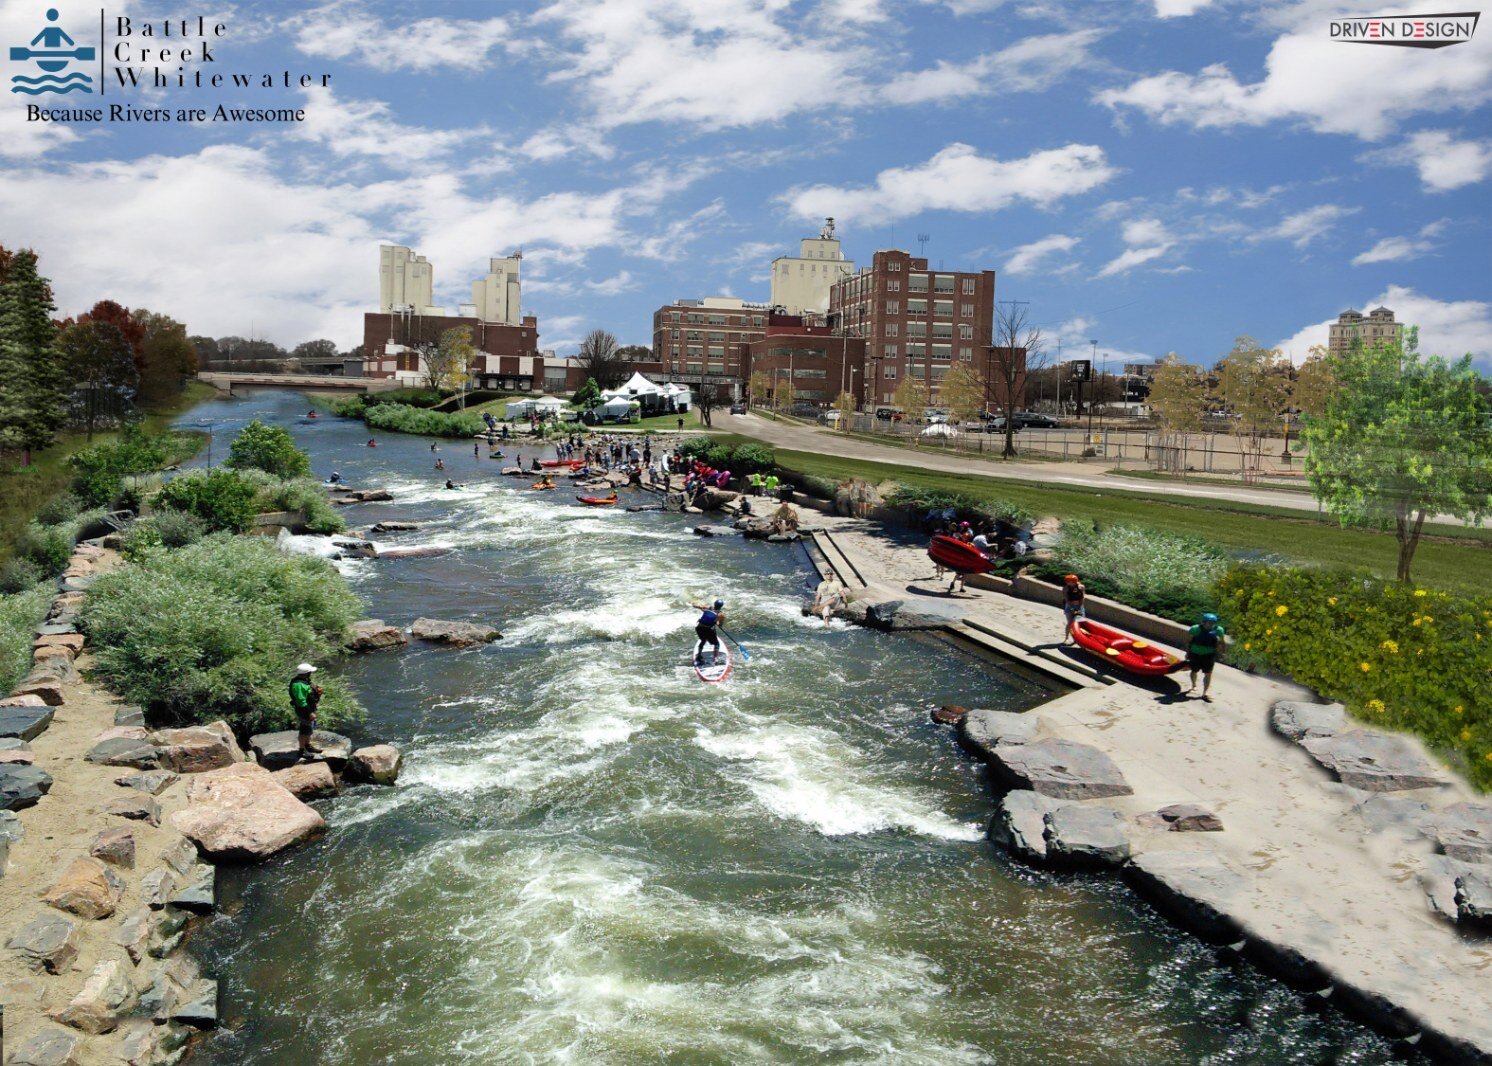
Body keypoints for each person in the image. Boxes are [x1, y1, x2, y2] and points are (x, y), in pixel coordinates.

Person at [1186, 613, 1225, 701]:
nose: (1210, 624)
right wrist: (1187, 652)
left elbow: (1222, 642)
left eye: (1212, 622)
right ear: (1204, 622)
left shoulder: (1219, 630)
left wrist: (1222, 652)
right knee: (1194, 671)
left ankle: (1205, 692)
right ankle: (1194, 686)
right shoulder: (1195, 629)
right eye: (1208, 622)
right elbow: (1189, 641)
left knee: (1208, 673)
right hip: (1195, 653)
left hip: (1209, 655)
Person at [288, 663, 322, 759]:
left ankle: (308, 746)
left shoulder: (305, 681)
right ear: (306, 673)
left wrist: (315, 704)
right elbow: (301, 701)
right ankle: (301, 751)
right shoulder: (298, 685)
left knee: (309, 729)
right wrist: (310, 713)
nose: (311, 673)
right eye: (310, 672)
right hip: (304, 711)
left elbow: (309, 696)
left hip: (309, 709)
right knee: (304, 730)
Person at [691, 599, 726, 665]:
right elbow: (720, 625)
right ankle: (716, 660)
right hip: (707, 629)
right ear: (721, 607)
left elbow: (699, 606)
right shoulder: (721, 615)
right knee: (717, 644)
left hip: (698, 628)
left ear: (714, 604)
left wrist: (693, 604)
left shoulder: (707, 608)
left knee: (703, 640)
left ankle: (699, 656)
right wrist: (717, 622)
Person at [1062, 574, 1086, 644]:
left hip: (1079, 605)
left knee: (1080, 622)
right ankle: (1066, 638)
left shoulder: (1081, 587)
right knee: (1070, 622)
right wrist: (1071, 608)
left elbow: (1082, 597)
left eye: (1069, 581)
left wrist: (1080, 607)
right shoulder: (1066, 588)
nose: (1067, 583)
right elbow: (1067, 599)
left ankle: (1079, 638)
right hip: (1069, 606)